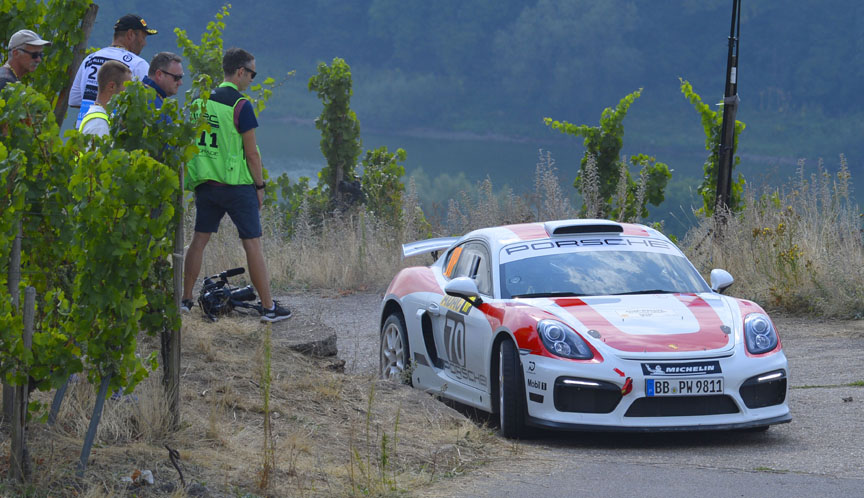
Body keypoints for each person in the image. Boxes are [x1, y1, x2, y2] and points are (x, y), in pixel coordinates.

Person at [182, 48, 292, 323]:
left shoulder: (200, 100)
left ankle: (185, 300)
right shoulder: (240, 105)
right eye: (252, 74)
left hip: (206, 184)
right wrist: (260, 186)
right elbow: (252, 154)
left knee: (198, 240)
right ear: (240, 71)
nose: (252, 79)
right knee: (252, 244)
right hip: (236, 184)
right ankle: (268, 308)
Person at [69, 14, 156, 128]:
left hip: (84, 131)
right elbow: (148, 106)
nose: (144, 43)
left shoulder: (90, 59)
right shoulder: (138, 64)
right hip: (113, 137)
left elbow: (74, 100)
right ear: (130, 34)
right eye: (143, 38)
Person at [78, 60, 132, 137]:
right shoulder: (99, 124)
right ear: (112, 86)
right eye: (127, 87)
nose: (129, 93)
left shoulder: (104, 118)